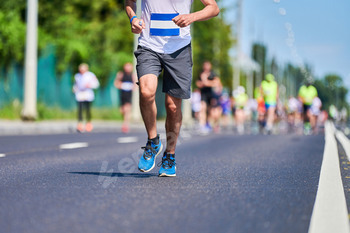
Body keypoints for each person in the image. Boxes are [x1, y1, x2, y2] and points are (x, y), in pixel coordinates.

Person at [125, 0, 219, 177]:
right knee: (146, 91)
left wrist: (192, 17)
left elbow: (213, 8)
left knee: (173, 106)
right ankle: (153, 141)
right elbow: (129, 2)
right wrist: (133, 17)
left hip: (179, 48)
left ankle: (170, 155)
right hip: (149, 45)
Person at [73, 63, 100, 132]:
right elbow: (76, 84)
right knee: (80, 109)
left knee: (88, 109)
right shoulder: (77, 76)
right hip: (80, 94)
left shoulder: (91, 75)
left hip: (88, 93)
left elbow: (96, 84)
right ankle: (80, 123)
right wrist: (74, 89)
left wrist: (90, 85)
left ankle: (88, 123)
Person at [196, 61, 220, 134]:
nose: (206, 67)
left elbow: (216, 83)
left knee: (211, 111)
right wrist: (206, 83)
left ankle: (209, 123)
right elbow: (198, 84)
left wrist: (206, 82)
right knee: (202, 108)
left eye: (208, 66)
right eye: (205, 66)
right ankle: (202, 125)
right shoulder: (201, 74)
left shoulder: (213, 74)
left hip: (211, 94)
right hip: (203, 94)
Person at [114, 62, 137, 133]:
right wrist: (121, 85)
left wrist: (132, 87)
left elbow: (135, 85)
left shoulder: (133, 75)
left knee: (127, 109)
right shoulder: (120, 74)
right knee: (122, 110)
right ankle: (125, 121)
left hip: (129, 95)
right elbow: (116, 83)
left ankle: (125, 124)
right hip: (122, 94)